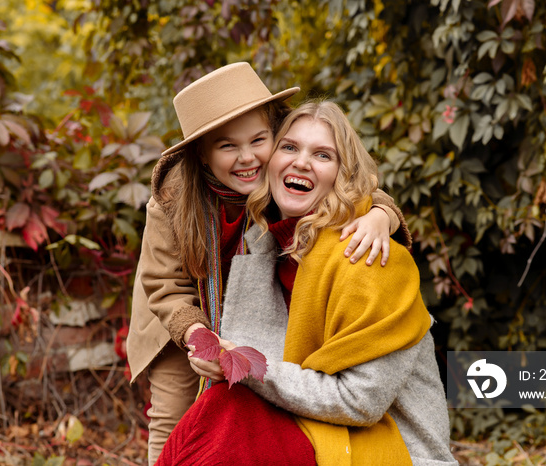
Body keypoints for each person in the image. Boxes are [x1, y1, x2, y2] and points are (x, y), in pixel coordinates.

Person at [126, 63, 411, 465]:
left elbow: (356, 184)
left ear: (275, 134)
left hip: (256, 304)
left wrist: (382, 215)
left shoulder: (284, 167)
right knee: (174, 418)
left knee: (248, 410)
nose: (248, 158)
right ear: (202, 155)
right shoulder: (173, 196)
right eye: (227, 146)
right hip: (181, 312)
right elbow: (164, 285)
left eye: (259, 140)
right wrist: (196, 336)